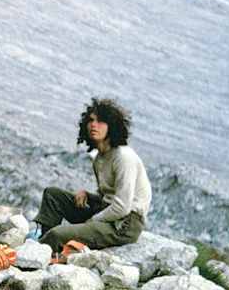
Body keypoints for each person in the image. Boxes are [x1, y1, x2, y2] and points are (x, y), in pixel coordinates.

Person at [30, 97, 152, 255]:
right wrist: (88, 195)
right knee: (53, 195)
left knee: (58, 234)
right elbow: (107, 196)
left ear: (112, 126)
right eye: (91, 120)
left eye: (101, 121)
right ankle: (46, 242)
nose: (94, 125)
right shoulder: (100, 158)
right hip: (107, 211)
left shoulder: (123, 157)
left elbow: (122, 207)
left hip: (124, 224)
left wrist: (92, 221)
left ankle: (38, 253)